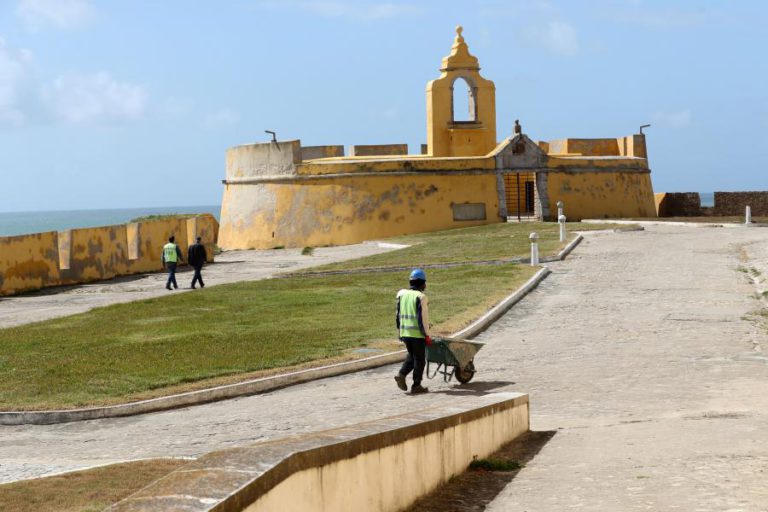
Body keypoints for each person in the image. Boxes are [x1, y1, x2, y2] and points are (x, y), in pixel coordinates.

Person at [394, 268, 432, 394]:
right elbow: (423, 319)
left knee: (412, 356)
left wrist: (399, 331)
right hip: (417, 334)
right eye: (425, 282)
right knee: (420, 360)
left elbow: (397, 314)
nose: (425, 285)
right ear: (421, 283)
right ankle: (416, 385)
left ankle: (401, 374)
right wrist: (427, 335)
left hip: (405, 333)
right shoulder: (421, 297)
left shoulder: (401, 294)